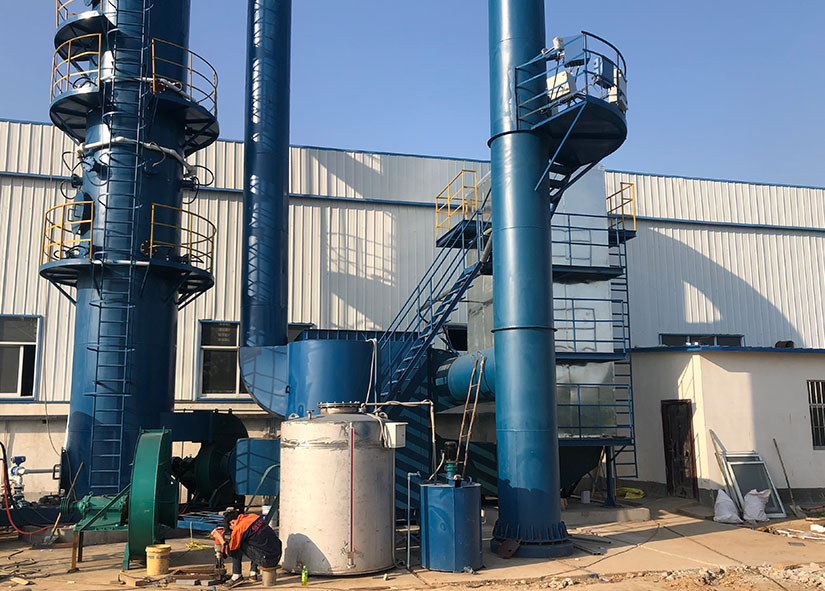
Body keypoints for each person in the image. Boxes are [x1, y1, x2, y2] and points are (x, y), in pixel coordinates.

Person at [211, 507, 282, 586]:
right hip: (277, 554)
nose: (233, 531)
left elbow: (229, 551)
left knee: (237, 545)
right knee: (254, 540)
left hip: (267, 560)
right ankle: (253, 573)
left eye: (231, 529)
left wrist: (220, 538)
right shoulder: (253, 516)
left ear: (232, 523)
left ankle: (236, 575)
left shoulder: (239, 528)